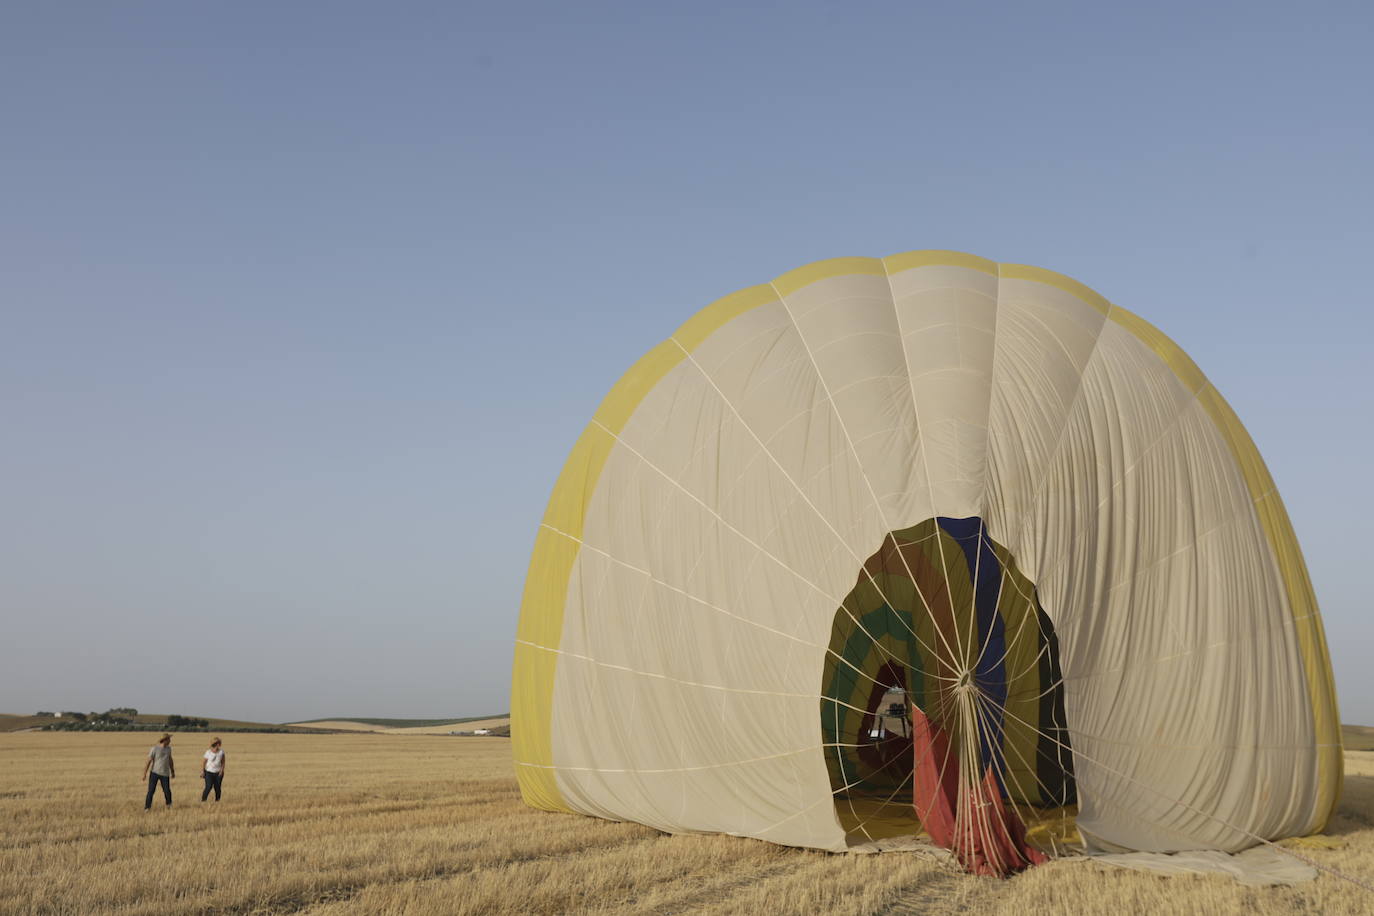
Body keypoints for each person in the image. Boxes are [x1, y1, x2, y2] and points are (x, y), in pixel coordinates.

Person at [142, 733, 175, 809]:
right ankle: (147, 808)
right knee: (151, 791)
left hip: (165, 774)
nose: (170, 741)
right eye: (169, 739)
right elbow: (148, 761)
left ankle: (169, 805)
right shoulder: (154, 749)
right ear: (165, 740)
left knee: (167, 791)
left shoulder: (169, 749)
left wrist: (172, 771)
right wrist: (144, 774)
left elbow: (170, 760)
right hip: (154, 773)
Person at [201, 737, 226, 802]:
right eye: (219, 743)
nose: (220, 744)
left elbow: (223, 762)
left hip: (218, 773)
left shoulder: (221, 752)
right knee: (208, 787)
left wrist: (221, 770)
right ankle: (203, 800)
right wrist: (203, 771)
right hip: (209, 772)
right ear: (216, 744)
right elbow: (204, 762)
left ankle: (217, 801)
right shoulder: (208, 752)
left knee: (217, 788)